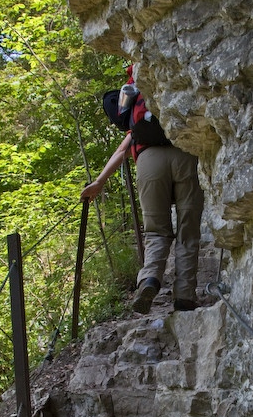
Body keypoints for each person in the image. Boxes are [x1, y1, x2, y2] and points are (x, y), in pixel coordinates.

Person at [80, 69, 204, 314]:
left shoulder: (139, 113)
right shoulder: (170, 90)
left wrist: (99, 183)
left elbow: (121, 152)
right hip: (185, 154)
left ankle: (149, 280)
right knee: (187, 231)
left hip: (149, 161)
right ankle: (184, 296)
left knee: (157, 231)